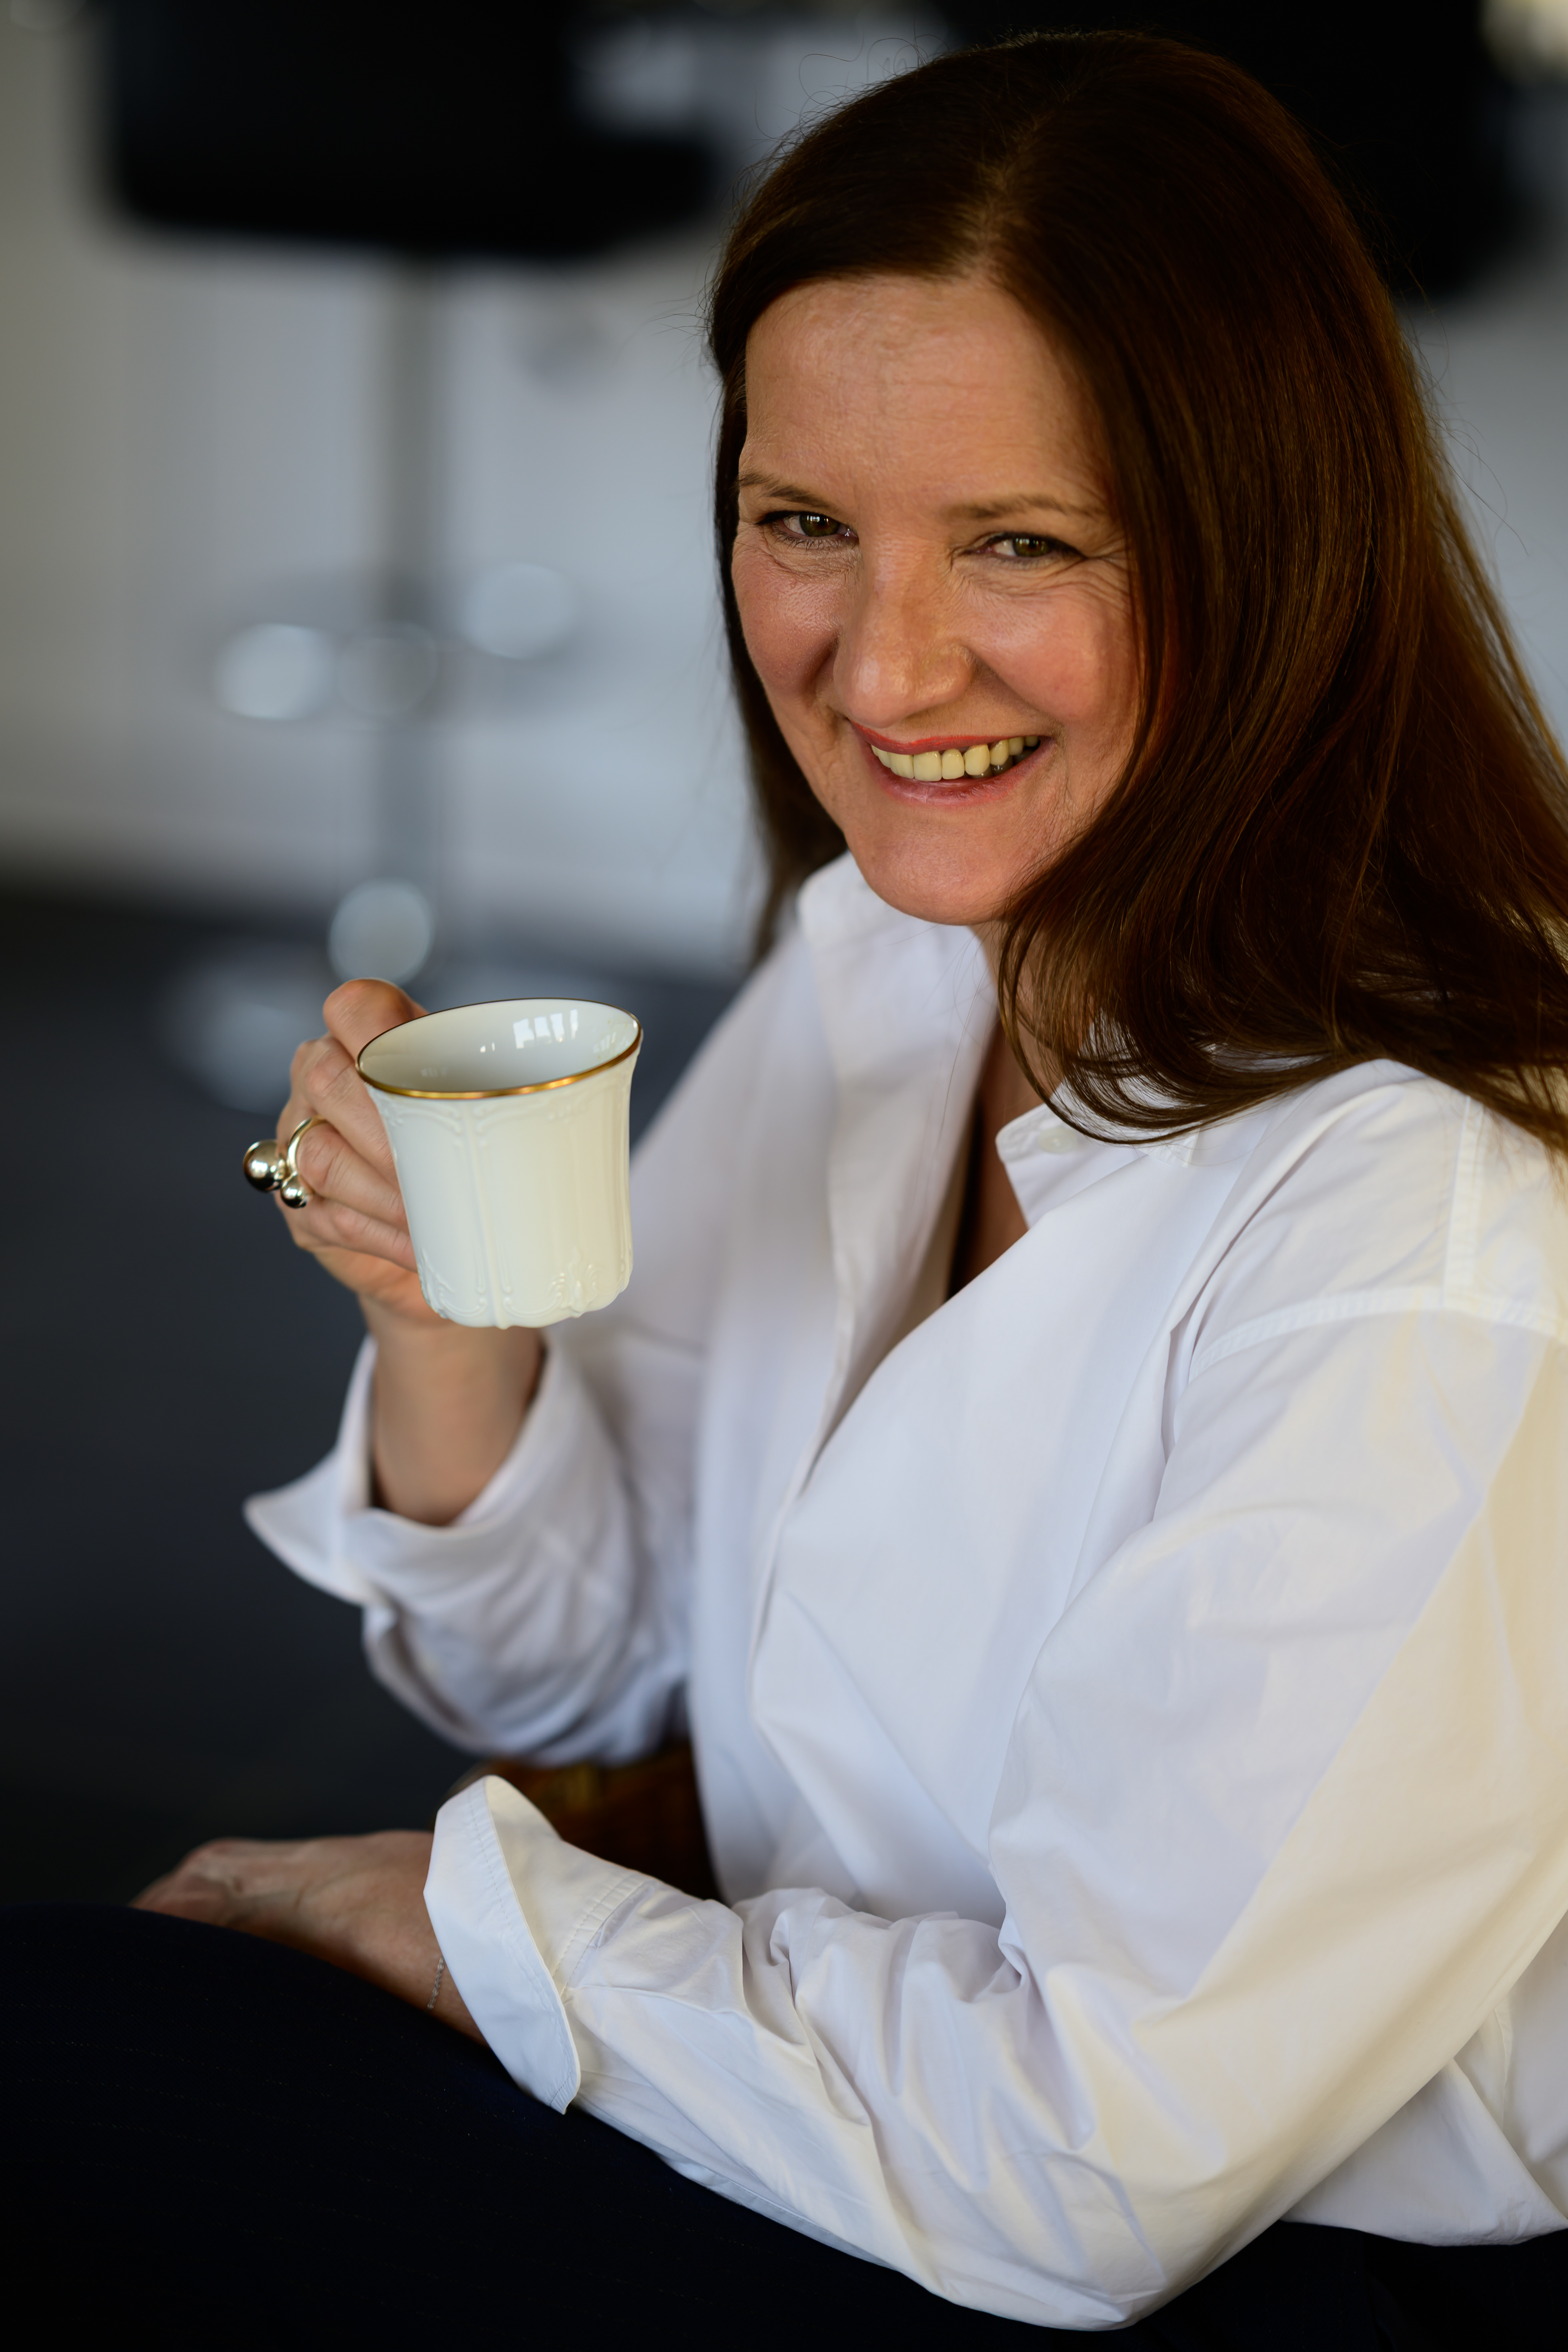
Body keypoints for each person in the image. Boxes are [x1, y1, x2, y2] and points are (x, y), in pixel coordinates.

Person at [10, 30, 1568, 2342]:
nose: (884, 665)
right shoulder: (897, 967)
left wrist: (463, 1922)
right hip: (819, 2106)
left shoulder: (1428, 1249)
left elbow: (1095, 2164)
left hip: (1220, 2279)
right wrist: (447, 1324)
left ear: (1271, 555)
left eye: (1022, 541)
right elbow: (588, 1659)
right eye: (805, 522)